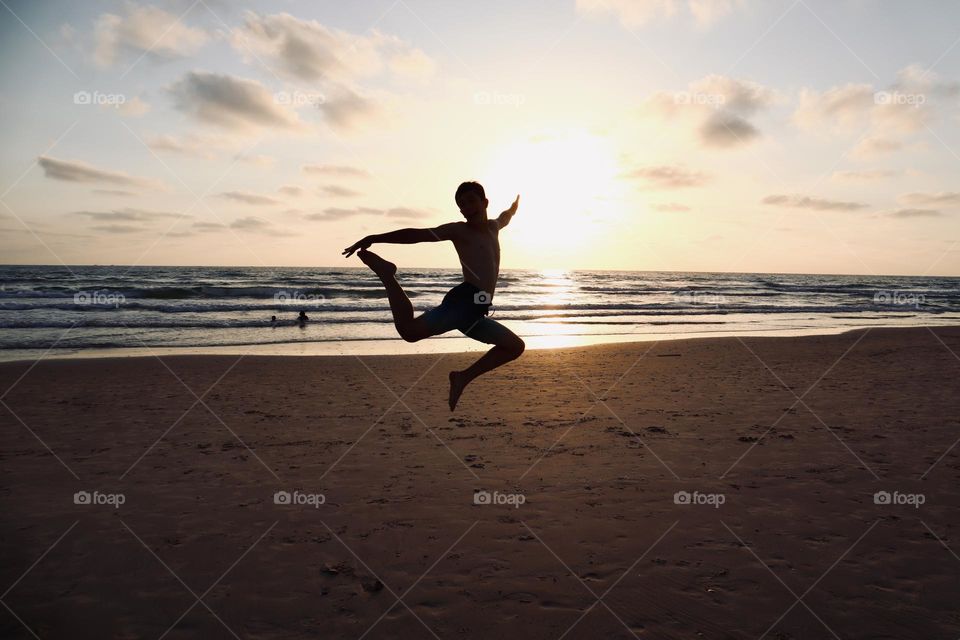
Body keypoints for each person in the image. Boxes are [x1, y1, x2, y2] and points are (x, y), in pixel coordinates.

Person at [343, 181, 524, 410]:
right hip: (466, 301)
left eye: (471, 201)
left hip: (477, 309)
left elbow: (505, 216)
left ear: (484, 202)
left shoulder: (494, 227)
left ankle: (462, 378)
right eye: (462, 205)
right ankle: (388, 275)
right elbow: (417, 235)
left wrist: (514, 207)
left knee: (514, 347)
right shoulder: (459, 230)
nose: (468, 207)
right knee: (409, 331)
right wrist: (375, 237)